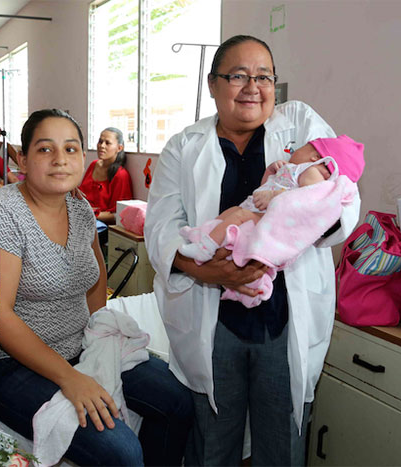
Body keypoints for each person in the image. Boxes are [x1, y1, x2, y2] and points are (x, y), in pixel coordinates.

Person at [144, 35, 361, 466]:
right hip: (213, 318)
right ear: (212, 84)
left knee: (282, 440)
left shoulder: (299, 124)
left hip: (285, 318)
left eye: (264, 76)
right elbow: (160, 228)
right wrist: (205, 270)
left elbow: (342, 193)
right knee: (213, 439)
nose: (252, 87)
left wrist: (302, 212)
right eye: (238, 75)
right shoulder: (183, 147)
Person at [0, 109, 193, 466]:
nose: (60, 160)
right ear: (22, 158)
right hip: (13, 366)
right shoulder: (3, 211)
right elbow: (0, 316)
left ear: (84, 157)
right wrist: (70, 378)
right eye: (45, 149)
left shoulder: (79, 207)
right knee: (122, 452)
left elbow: (96, 276)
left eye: (70, 149)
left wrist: (99, 340)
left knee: (178, 401)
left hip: (81, 345)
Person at [179, 134, 365, 306]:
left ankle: (205, 248)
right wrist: (272, 172)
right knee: (234, 213)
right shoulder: (299, 170)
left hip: (271, 218)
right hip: (263, 210)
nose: (295, 150)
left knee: (238, 215)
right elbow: (265, 187)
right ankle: (206, 234)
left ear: (315, 157)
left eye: (302, 148)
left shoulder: (312, 174)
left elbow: (305, 202)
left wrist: (274, 197)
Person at [78, 127, 133, 224]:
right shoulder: (93, 165)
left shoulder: (120, 175)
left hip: (100, 224)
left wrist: (89, 215)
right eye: (100, 141)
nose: (102, 146)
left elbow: (118, 214)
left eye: (107, 143)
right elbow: (81, 195)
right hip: (82, 218)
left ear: (119, 148)